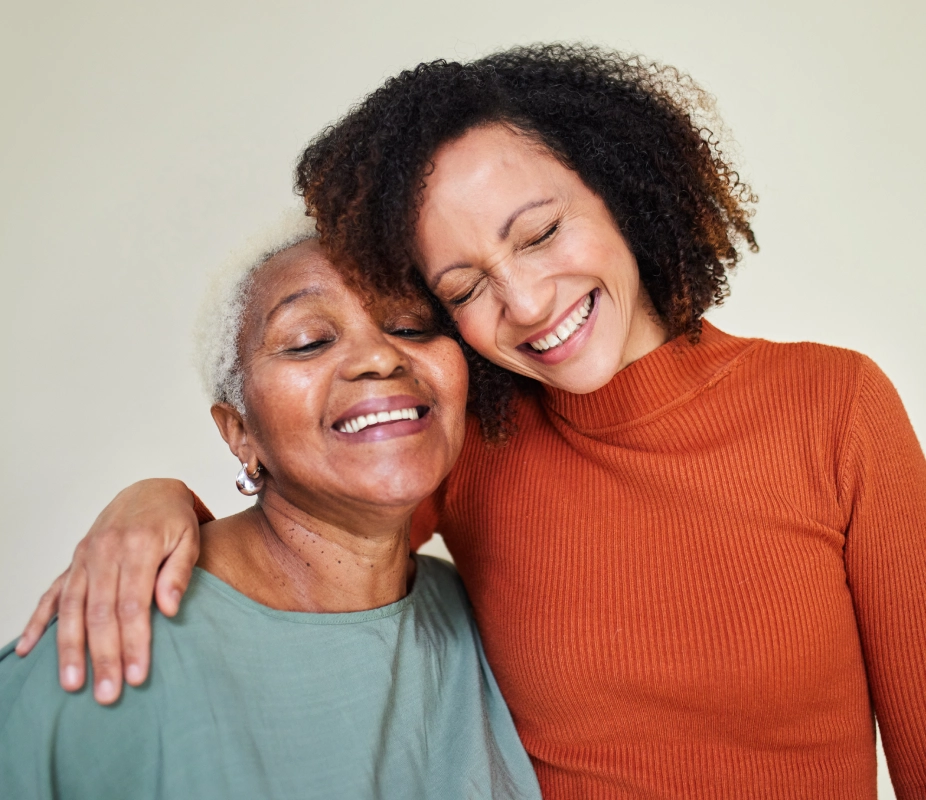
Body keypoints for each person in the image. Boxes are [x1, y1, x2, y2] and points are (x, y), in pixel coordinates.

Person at [18, 45, 926, 798]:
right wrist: (157, 500)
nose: (527, 302)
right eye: (463, 287)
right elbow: (305, 546)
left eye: (538, 234)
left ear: (618, 187)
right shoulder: (473, 448)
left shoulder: (831, 405)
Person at [0, 215, 542, 800]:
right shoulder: (116, 632)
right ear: (240, 433)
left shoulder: (469, 611)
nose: (380, 358)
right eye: (309, 340)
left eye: (411, 327)